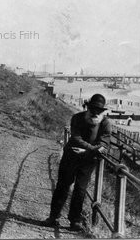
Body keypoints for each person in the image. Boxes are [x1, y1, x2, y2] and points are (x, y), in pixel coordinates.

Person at [44, 93, 111, 232]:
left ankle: (74, 220)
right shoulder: (77, 118)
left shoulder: (105, 123)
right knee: (62, 187)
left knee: (80, 190)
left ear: (102, 112)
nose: (95, 113)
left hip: (88, 161)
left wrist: (87, 152)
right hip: (70, 157)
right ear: (87, 107)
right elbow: (75, 138)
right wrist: (93, 149)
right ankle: (53, 217)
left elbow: (104, 146)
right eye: (92, 109)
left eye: (98, 111)